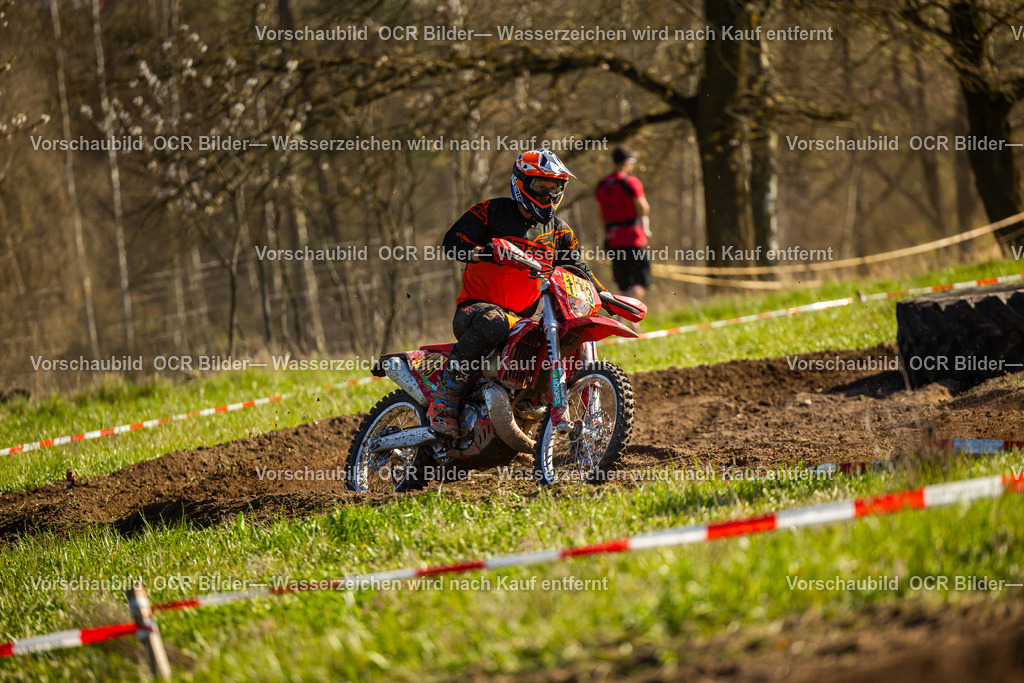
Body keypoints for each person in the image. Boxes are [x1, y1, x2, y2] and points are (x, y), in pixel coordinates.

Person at [427, 149, 607, 437]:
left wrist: (606, 296)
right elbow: (452, 240)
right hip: (476, 310)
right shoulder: (491, 211)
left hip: (522, 320)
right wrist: (483, 251)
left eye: (554, 188)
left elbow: (579, 269)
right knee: (493, 321)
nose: (548, 195)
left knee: (565, 335)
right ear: (521, 183)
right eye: (540, 187)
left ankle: (542, 416)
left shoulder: (559, 232)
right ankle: (444, 399)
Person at [595, 145, 652, 306]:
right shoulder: (631, 182)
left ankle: (632, 325)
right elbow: (643, 208)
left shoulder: (602, 185)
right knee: (643, 283)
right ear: (627, 163)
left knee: (625, 284)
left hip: (613, 240)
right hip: (633, 239)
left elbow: (600, 216)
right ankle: (619, 314)